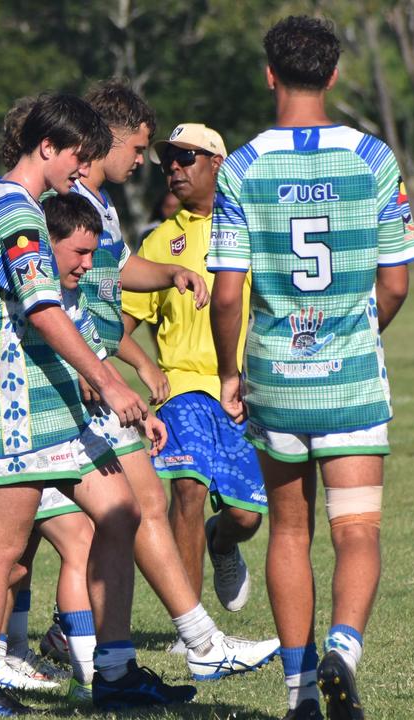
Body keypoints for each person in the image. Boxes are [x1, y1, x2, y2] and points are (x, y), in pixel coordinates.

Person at [0, 92, 196, 715]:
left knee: (117, 512)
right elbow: (41, 307)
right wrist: (110, 380)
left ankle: (112, 673)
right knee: (2, 549)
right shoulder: (13, 213)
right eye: (76, 158)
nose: (80, 172)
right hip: (14, 404)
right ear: (48, 147)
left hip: (53, 401)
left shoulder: (27, 206)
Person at [208, 16, 414, 720]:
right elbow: (395, 283)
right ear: (333, 75)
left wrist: (230, 372)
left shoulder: (241, 167)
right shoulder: (373, 158)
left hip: (275, 377)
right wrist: (359, 332)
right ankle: (344, 649)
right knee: (356, 530)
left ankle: (300, 691)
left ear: (270, 75)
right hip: (351, 379)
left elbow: (228, 291)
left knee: (288, 532)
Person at [121, 123, 269, 630]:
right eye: (169, 160)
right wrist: (141, 366)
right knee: (187, 488)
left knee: (247, 516)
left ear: (217, 165)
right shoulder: (160, 241)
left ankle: (222, 541)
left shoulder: (252, 229)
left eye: (187, 158)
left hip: (247, 393)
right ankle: (193, 630)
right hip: (183, 388)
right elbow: (116, 327)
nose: (174, 168)